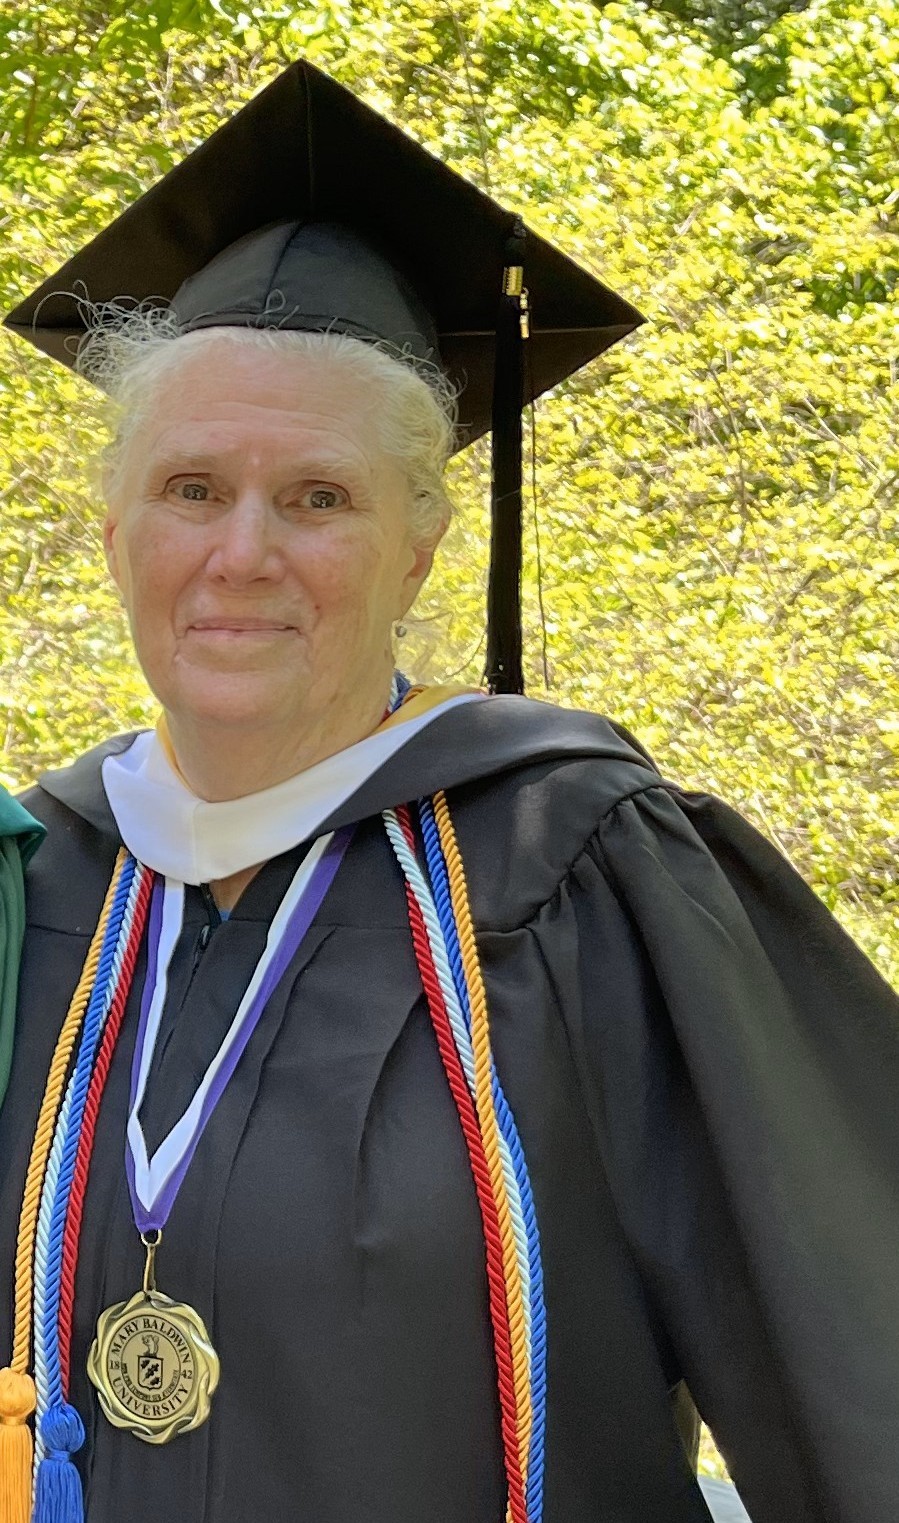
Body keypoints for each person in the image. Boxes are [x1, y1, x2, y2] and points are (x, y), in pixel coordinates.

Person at [1, 57, 897, 1523]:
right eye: (189, 490)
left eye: (319, 498)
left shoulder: (585, 872)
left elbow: (858, 1352)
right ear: (112, 532)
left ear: (418, 545)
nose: (242, 553)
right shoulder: (35, 888)